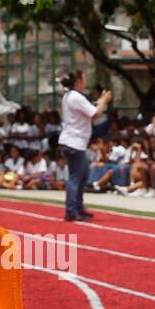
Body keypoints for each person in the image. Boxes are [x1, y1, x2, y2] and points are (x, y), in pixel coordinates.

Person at [58, 71, 112, 222]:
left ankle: (78, 208)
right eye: (84, 78)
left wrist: (100, 100)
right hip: (75, 142)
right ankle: (72, 211)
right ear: (78, 81)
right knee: (76, 177)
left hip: (73, 141)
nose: (86, 81)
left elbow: (90, 108)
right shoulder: (76, 96)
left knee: (82, 176)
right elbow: (95, 113)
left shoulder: (70, 96)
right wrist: (105, 100)